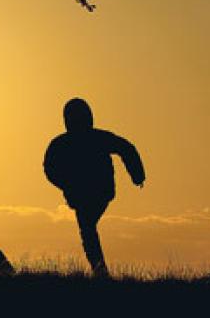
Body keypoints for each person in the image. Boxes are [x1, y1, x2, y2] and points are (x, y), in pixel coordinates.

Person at [43, 98, 146, 277]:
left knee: (87, 228)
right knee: (88, 228)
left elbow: (126, 149)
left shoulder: (85, 140)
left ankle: (100, 271)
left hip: (98, 191)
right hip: (88, 193)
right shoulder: (67, 142)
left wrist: (137, 175)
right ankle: (100, 271)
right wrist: (67, 184)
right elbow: (50, 167)